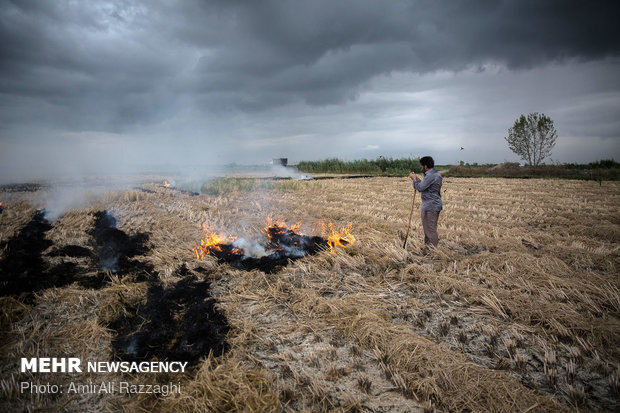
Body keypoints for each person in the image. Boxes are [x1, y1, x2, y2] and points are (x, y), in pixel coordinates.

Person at [408, 156, 442, 250]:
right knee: (428, 229)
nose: (420, 168)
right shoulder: (435, 174)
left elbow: (420, 188)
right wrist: (418, 180)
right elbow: (425, 185)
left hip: (430, 206)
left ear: (425, 166)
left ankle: (433, 251)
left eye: (421, 166)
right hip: (432, 205)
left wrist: (414, 179)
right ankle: (428, 249)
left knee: (430, 230)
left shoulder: (431, 176)